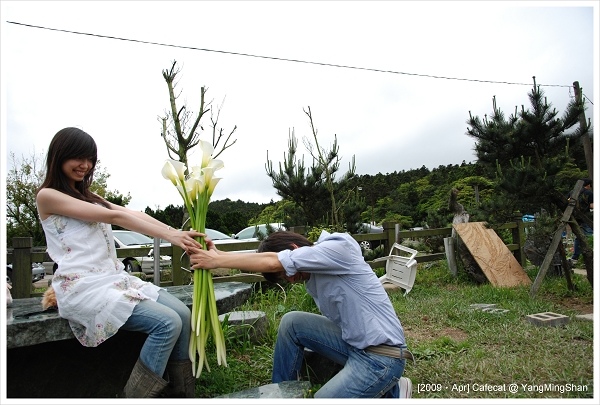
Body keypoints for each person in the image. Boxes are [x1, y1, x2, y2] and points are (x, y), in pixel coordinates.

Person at [36, 127, 203, 398]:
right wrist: (172, 238)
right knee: (167, 323)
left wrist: (179, 232)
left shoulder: (87, 195)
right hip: (83, 287)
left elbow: (129, 212)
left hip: (112, 279)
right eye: (78, 158)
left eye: (90, 159)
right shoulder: (48, 196)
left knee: (183, 314)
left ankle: (182, 395)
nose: (85, 165)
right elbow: (114, 218)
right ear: (59, 156)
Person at [189, 230, 413, 398]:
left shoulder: (336, 249)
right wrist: (220, 253)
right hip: (355, 345)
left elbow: (273, 260)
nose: (288, 278)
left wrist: (217, 261)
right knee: (292, 322)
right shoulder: (314, 272)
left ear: (295, 249)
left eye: (283, 272)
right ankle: (281, 393)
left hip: (381, 357)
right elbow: (269, 260)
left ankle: (393, 392)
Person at [570, 178, 594, 263]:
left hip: (574, 217)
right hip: (586, 217)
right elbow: (592, 206)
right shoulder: (589, 193)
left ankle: (575, 257)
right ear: (588, 185)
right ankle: (590, 257)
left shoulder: (572, 192)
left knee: (579, 237)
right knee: (589, 235)